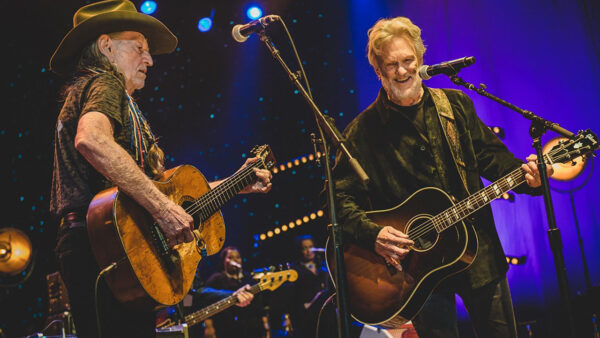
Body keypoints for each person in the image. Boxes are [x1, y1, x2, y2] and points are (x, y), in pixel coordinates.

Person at [49, 1, 272, 337]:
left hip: (115, 246)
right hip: (102, 246)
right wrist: (163, 209)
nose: (150, 60)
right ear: (106, 46)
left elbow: (166, 192)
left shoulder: (114, 99)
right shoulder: (105, 84)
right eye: (139, 48)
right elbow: (92, 140)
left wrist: (235, 183)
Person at [332, 17, 552, 338]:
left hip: (480, 256)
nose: (403, 71)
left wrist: (530, 178)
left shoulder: (456, 104)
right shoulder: (361, 133)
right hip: (416, 273)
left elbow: (492, 159)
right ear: (378, 71)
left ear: (421, 61)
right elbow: (338, 200)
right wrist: (372, 236)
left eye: (408, 60)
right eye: (392, 65)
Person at [203, 246, 269, 338]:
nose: (235, 260)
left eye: (237, 257)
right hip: (225, 329)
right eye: (230, 257)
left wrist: (266, 326)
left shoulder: (249, 278)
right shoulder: (216, 279)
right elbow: (205, 301)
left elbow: (260, 305)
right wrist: (208, 326)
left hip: (252, 329)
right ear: (223, 261)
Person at [290, 235, 331, 338]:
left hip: (325, 314)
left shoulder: (322, 266)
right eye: (304, 248)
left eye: (311, 247)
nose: (309, 250)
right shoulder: (295, 270)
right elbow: (293, 296)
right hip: (306, 315)